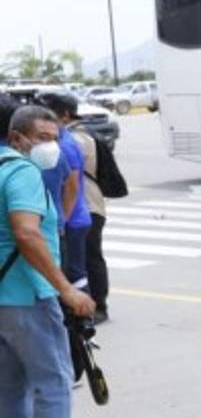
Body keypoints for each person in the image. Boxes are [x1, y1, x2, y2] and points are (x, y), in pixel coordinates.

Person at [0, 103, 100, 418]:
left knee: (10, 387)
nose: (51, 147)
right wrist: (66, 289)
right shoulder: (22, 172)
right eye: (42, 138)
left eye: (55, 138)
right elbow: (27, 233)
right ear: (17, 138)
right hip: (29, 295)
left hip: (3, 299)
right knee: (54, 382)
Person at [40, 94, 91, 302]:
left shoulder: (64, 146)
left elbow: (72, 186)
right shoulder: (61, 140)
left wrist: (63, 220)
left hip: (72, 221)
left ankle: (83, 315)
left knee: (74, 273)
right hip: (72, 218)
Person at [72, 121, 111, 323]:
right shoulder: (87, 136)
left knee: (89, 258)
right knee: (89, 257)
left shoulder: (74, 140)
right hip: (91, 204)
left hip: (86, 206)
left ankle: (98, 306)